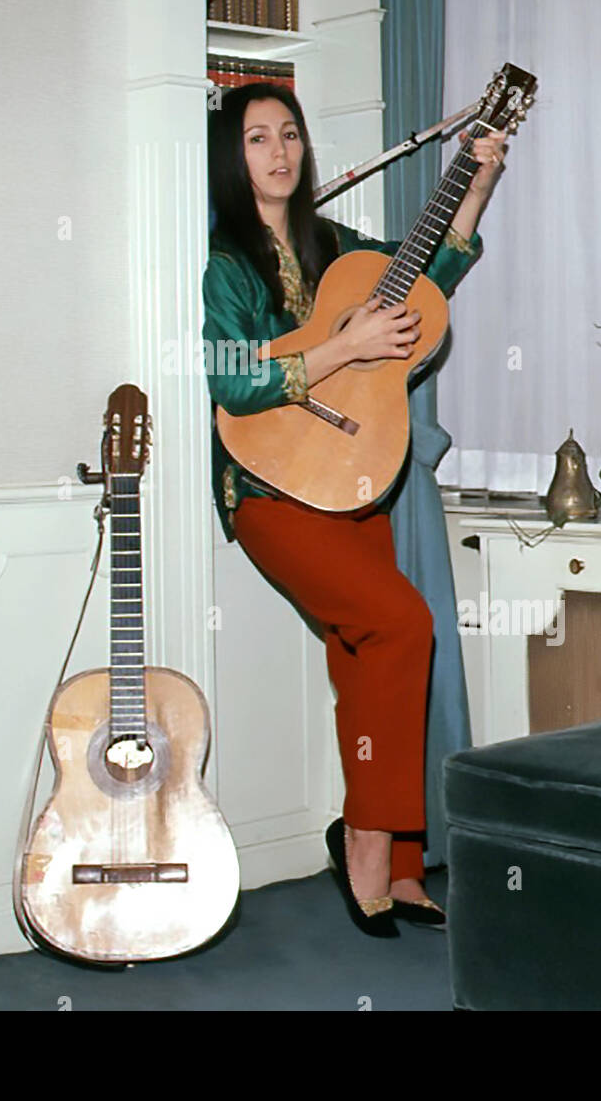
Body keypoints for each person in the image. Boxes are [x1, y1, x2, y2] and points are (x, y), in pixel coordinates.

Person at [202, 81, 504, 937]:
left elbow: (427, 276)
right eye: (258, 137)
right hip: (266, 488)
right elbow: (231, 377)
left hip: (352, 476)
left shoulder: (335, 244)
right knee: (403, 626)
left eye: (290, 134)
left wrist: (474, 181)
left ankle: (400, 861)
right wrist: (346, 346)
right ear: (234, 157)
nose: (279, 151)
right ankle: (368, 843)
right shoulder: (224, 263)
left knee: (364, 655)